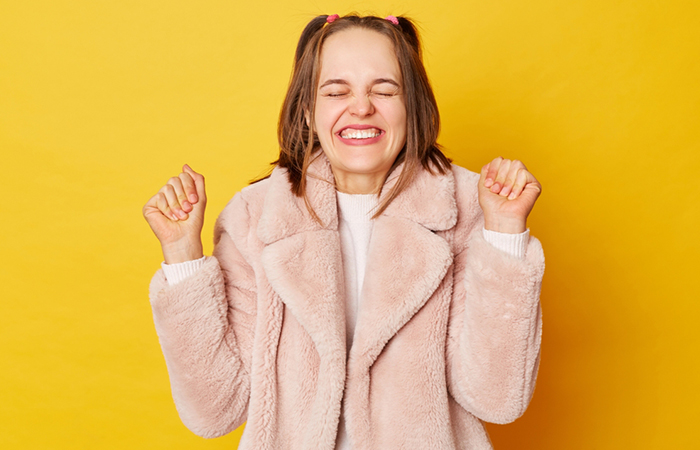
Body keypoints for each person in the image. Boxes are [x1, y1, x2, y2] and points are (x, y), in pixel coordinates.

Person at [143, 14, 544, 450]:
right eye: (336, 91)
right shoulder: (254, 217)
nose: (361, 107)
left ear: (414, 106)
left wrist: (504, 232)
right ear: (307, 111)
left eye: (384, 90)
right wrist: (182, 256)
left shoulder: (467, 207)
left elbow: (498, 399)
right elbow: (215, 410)